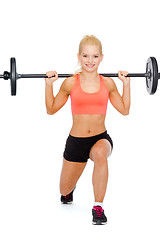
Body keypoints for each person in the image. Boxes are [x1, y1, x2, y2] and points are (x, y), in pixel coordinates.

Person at [45, 35, 130, 225]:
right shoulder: (70, 83)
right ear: (78, 57)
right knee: (63, 191)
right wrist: (48, 85)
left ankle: (98, 207)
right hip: (76, 141)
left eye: (94, 56)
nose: (90, 61)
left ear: (101, 58)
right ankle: (70, 190)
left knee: (100, 153)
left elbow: (124, 110)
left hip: (100, 138)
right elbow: (51, 110)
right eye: (85, 56)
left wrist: (126, 84)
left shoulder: (108, 83)